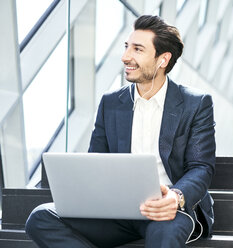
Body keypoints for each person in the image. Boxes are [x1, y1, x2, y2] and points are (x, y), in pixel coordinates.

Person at [25, 15, 216, 248]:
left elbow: (201, 167)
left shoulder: (195, 104)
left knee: (163, 235)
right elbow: (97, 160)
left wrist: (176, 197)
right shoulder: (111, 103)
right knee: (41, 218)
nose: (126, 56)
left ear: (162, 59)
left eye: (137, 49)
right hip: (116, 212)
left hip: (167, 211)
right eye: (127, 47)